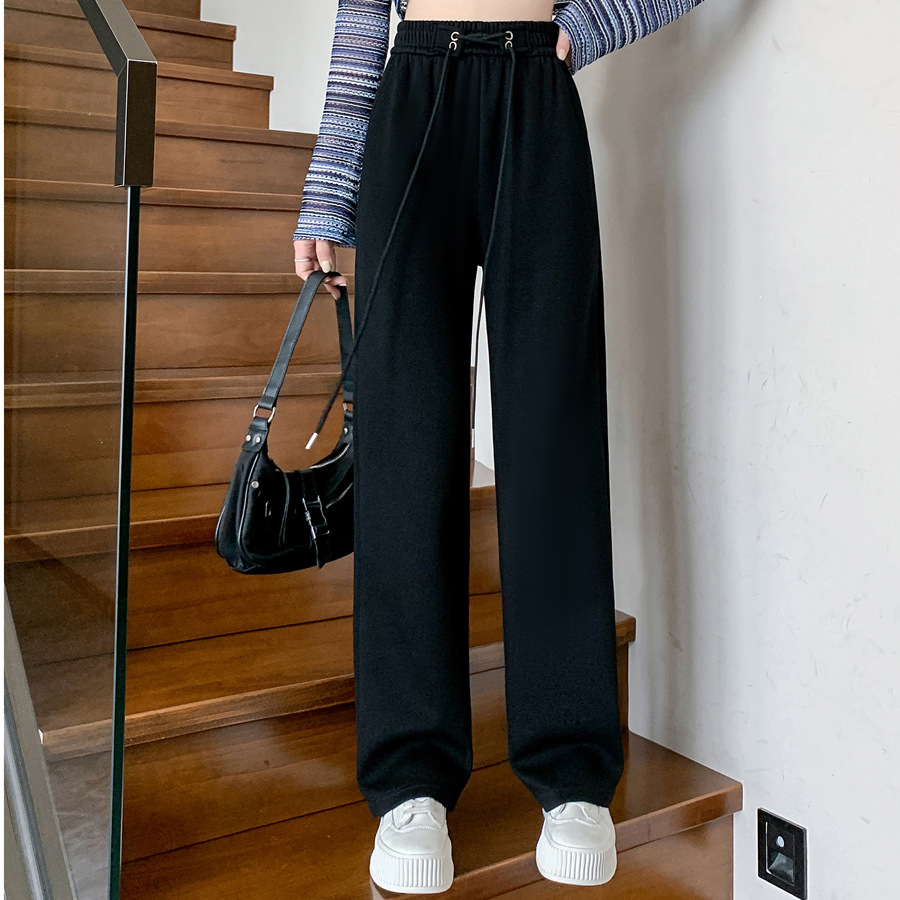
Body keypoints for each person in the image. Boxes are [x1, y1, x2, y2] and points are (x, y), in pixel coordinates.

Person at [291, 0, 705, 892]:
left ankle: (571, 772)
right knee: (406, 450)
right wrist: (330, 187)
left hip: (536, 94)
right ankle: (410, 777)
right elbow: (361, 13)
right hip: (413, 95)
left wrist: (588, 26)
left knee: (553, 444)